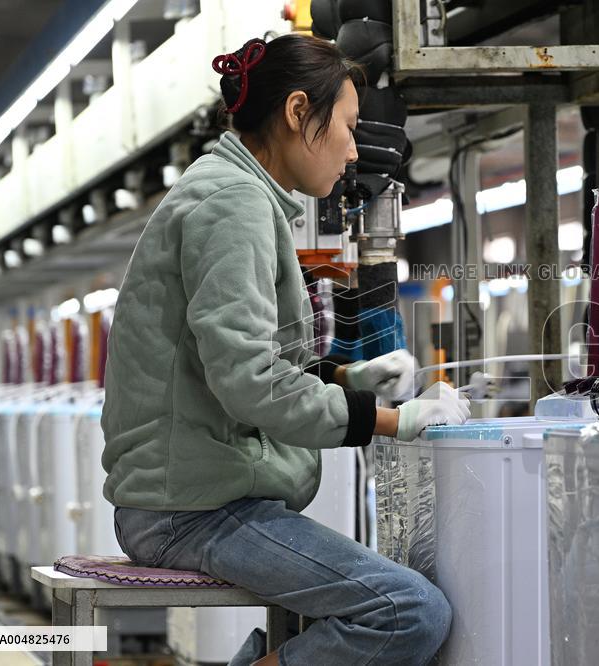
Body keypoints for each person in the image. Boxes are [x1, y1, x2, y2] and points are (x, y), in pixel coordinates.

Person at [100, 33, 470, 666]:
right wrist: (393, 421)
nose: (354, 150)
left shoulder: (239, 196)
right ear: (299, 113)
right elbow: (248, 380)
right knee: (408, 611)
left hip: (199, 499)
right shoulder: (232, 205)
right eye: (349, 128)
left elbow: (242, 358)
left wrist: (353, 376)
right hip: (186, 512)